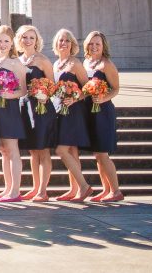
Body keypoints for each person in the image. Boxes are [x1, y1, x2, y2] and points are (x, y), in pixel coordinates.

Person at [52, 28, 93, 202]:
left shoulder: (75, 64)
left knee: (61, 150)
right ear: (56, 43)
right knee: (72, 152)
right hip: (60, 110)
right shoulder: (55, 64)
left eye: (67, 41)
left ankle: (84, 186)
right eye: (61, 40)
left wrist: (75, 98)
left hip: (73, 112)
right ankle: (74, 190)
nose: (63, 43)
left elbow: (88, 87)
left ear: (72, 45)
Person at [82, 30, 122, 202]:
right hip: (89, 111)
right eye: (91, 43)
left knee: (103, 154)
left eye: (97, 44)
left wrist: (102, 98)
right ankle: (106, 190)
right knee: (97, 154)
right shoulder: (86, 62)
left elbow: (116, 88)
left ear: (103, 46)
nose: (94, 46)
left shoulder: (107, 65)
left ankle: (116, 191)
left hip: (103, 112)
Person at [17, 24, 55, 202]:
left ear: (37, 41)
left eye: (31, 37)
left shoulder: (42, 60)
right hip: (26, 107)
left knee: (43, 150)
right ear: (20, 40)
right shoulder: (18, 60)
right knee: (33, 150)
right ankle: (34, 187)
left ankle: (43, 191)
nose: (28, 40)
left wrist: (44, 94)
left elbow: (52, 85)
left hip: (42, 107)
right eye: (25, 37)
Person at [0, 25, 28, 202]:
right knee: (3, 150)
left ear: (12, 43)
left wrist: (9, 94)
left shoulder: (16, 62)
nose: (3, 44)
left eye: (6, 41)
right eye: (0, 40)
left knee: (12, 150)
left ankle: (15, 191)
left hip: (10, 109)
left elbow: (23, 90)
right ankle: (7, 188)